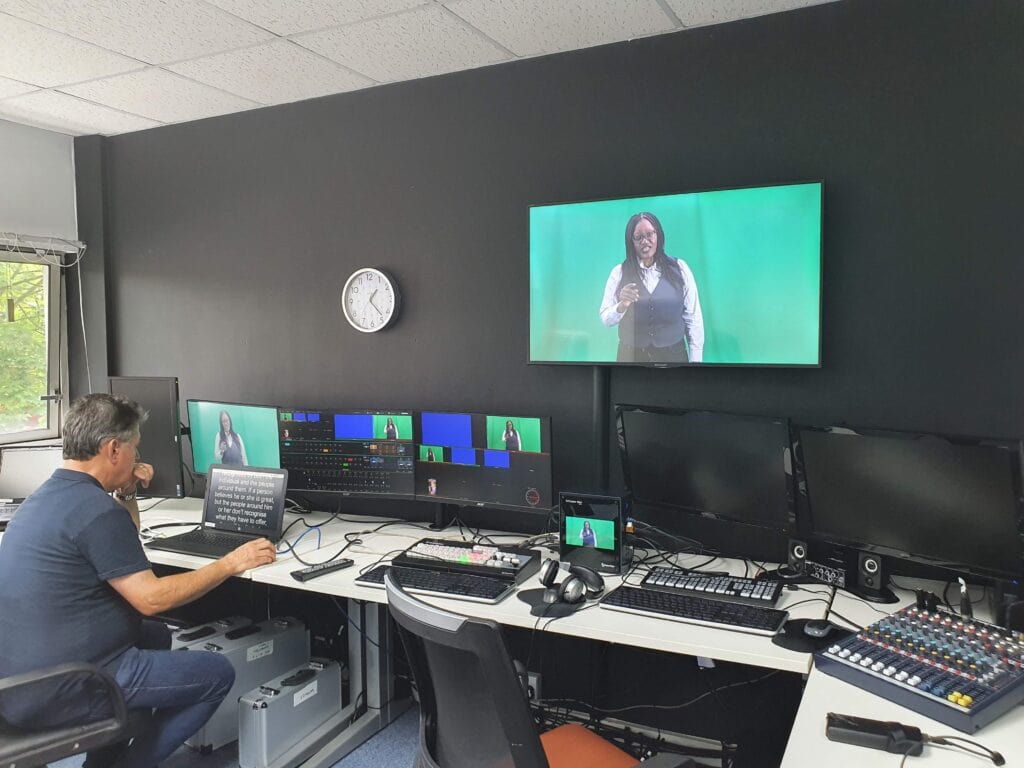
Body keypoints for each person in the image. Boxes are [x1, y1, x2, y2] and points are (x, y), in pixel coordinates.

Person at [0, 394, 277, 768]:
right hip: (71, 684)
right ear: (113, 449)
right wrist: (231, 562)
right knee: (216, 674)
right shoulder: (96, 511)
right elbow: (152, 599)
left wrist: (127, 493)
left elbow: (121, 544)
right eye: (134, 449)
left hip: (20, 680)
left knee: (157, 636)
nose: (137, 458)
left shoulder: (47, 497)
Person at [599, 212, 704, 363]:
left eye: (650, 234)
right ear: (631, 241)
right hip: (630, 358)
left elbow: (693, 318)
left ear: (658, 235)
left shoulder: (680, 268)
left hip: (673, 357)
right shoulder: (619, 272)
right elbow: (606, 319)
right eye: (638, 237)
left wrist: (696, 362)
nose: (645, 241)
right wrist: (621, 306)